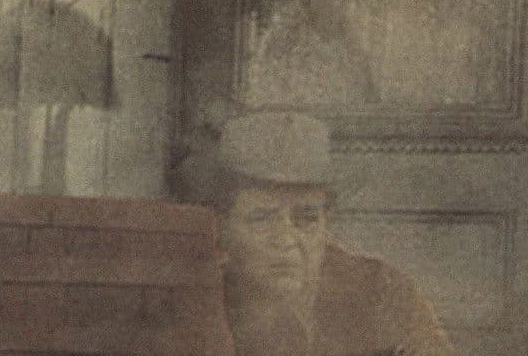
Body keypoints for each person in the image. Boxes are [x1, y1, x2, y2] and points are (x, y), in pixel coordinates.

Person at [179, 114, 455, 356]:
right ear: (223, 228)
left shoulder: (382, 292)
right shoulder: (193, 300)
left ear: (327, 222)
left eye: (306, 218)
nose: (286, 240)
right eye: (261, 219)